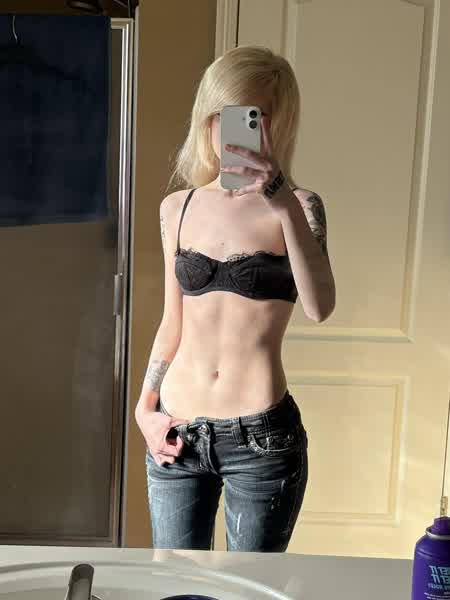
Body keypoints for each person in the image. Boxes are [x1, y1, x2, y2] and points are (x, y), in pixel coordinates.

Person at [135, 45, 336, 552]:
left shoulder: (301, 207)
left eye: (253, 118)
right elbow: (172, 322)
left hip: (261, 438)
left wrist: (281, 200)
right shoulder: (177, 208)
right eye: (222, 117)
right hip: (179, 431)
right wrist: (144, 408)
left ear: (277, 123)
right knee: (174, 582)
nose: (232, 133)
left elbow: (319, 307)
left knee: (248, 586)